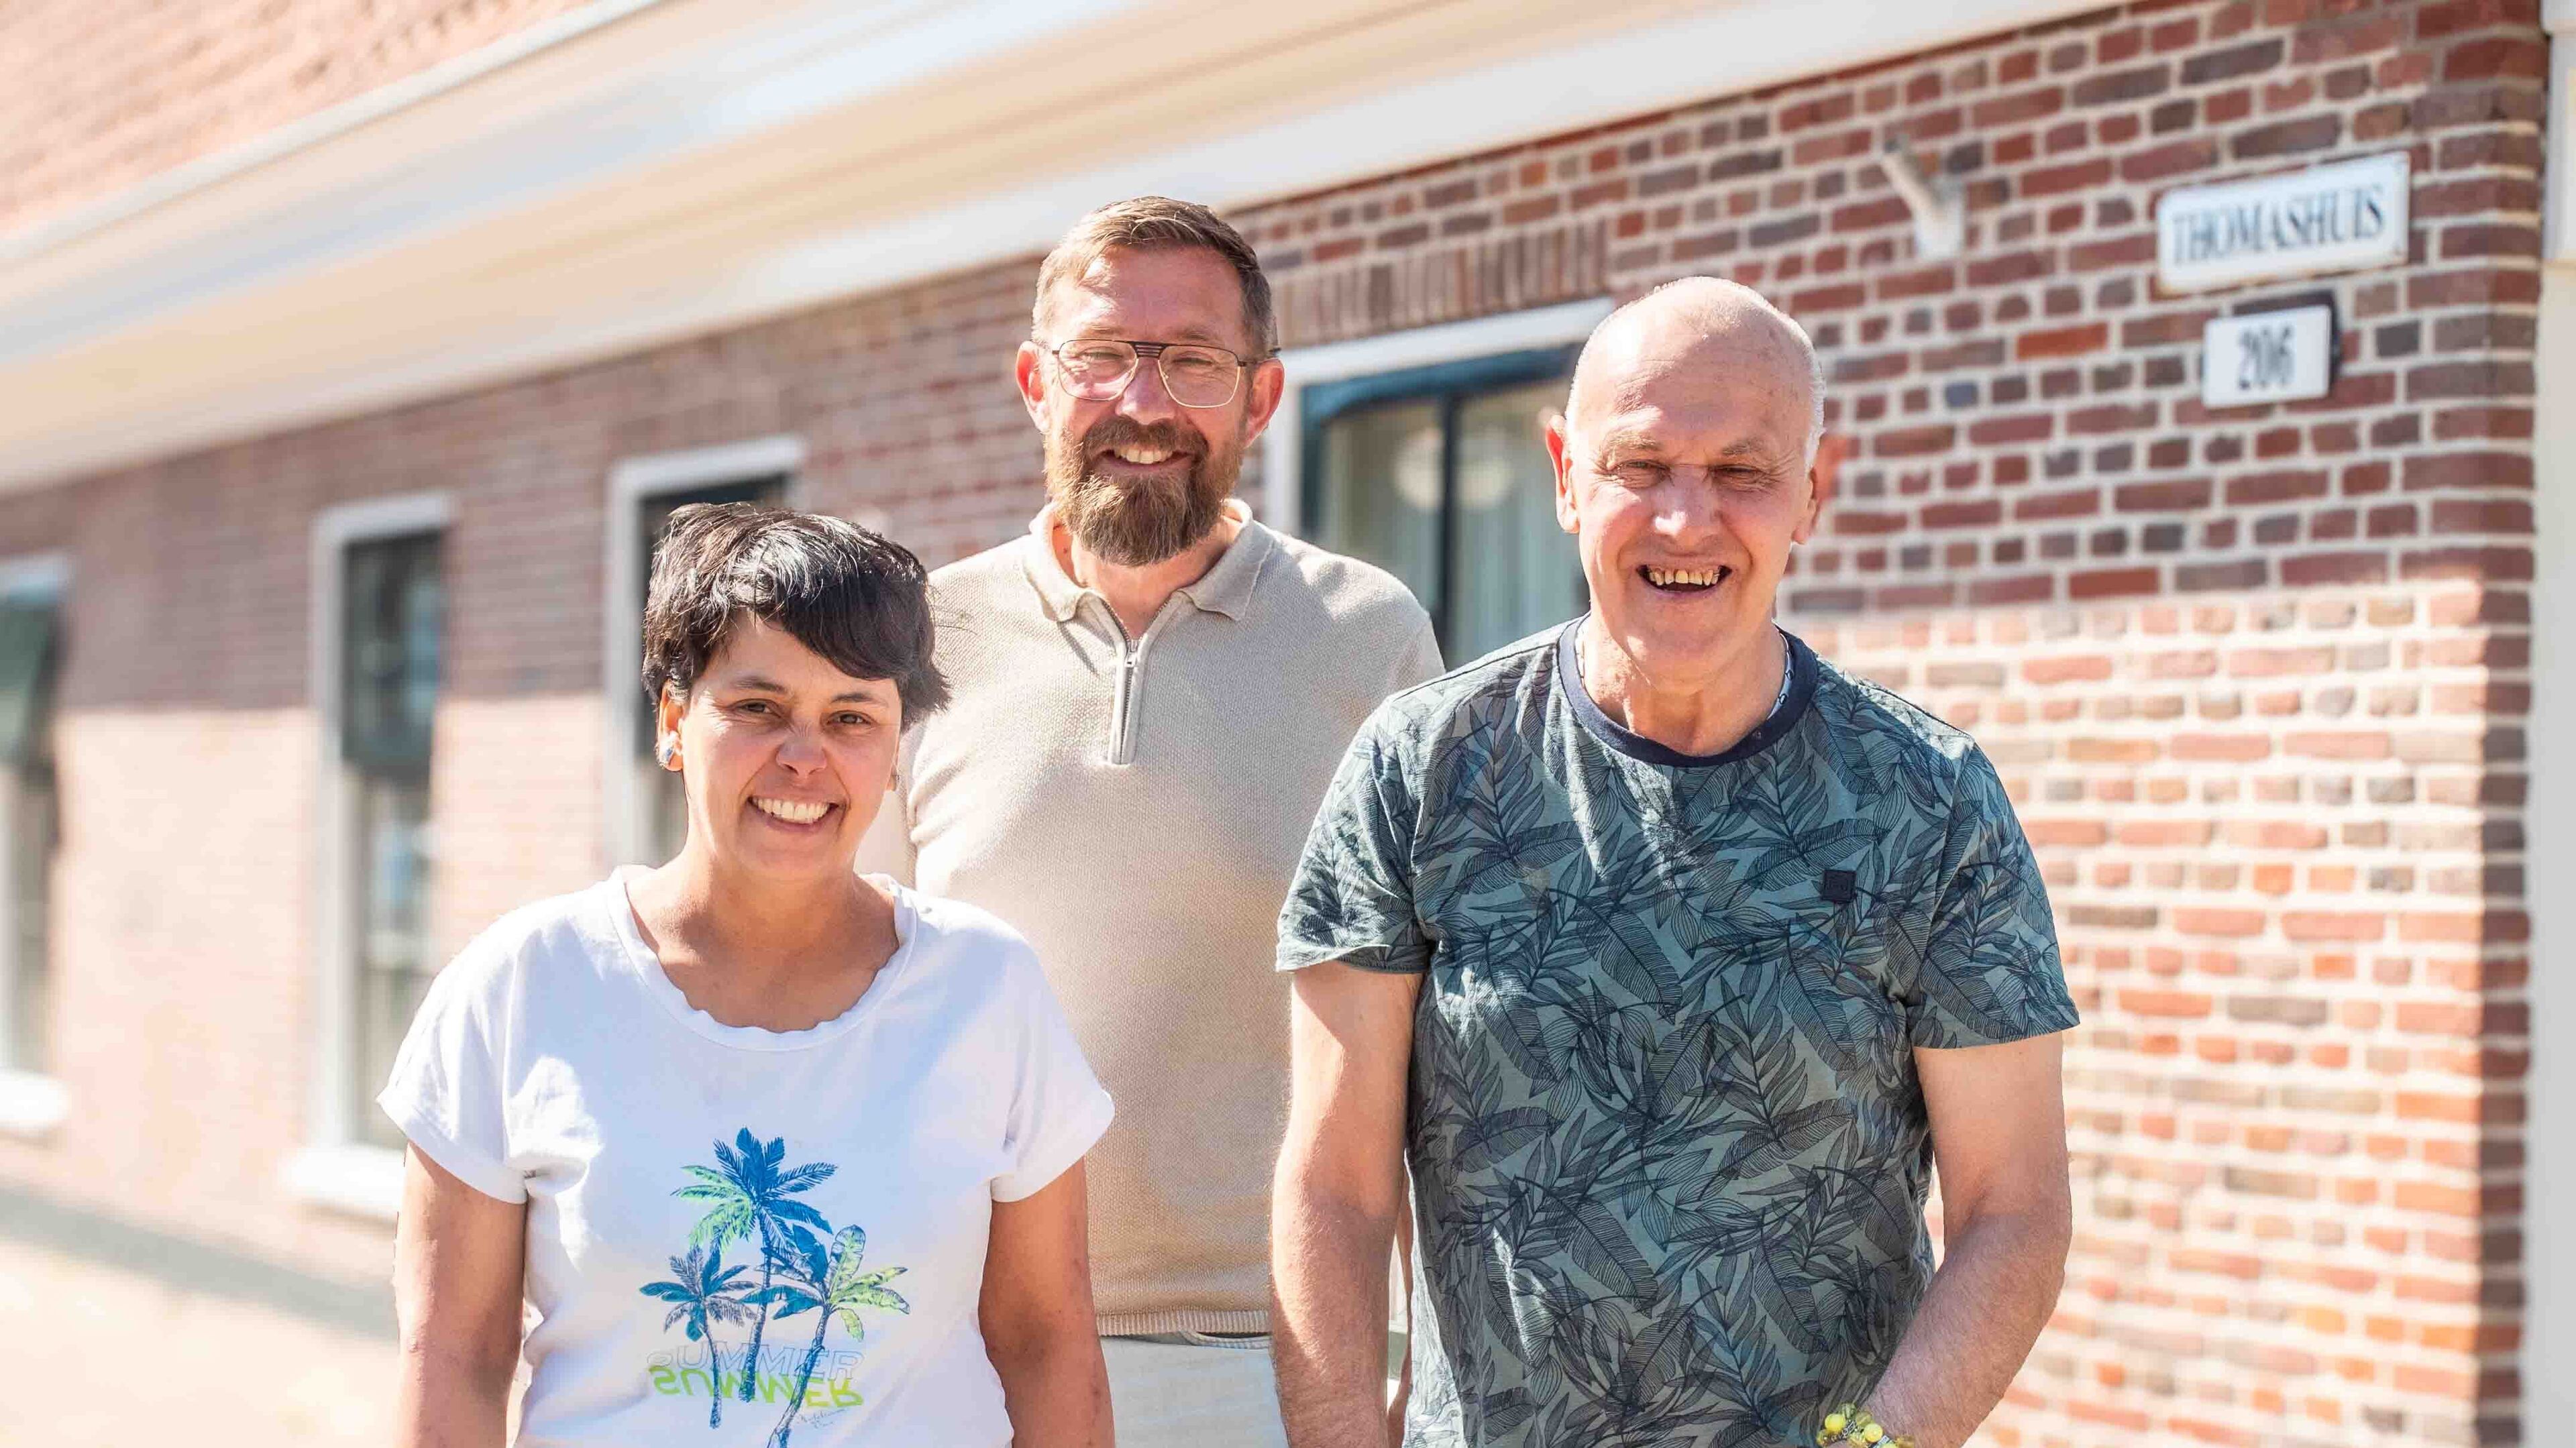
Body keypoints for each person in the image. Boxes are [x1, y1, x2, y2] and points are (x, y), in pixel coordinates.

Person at [1271, 278, 2080, 1448]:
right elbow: (1334, 1190)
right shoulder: (1426, 768)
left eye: (1743, 472)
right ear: (1563, 475)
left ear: (1814, 490)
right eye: (1641, 465)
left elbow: (2014, 1210)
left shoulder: (1930, 800)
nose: (1687, 520)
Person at [857, 196, 1440, 1447]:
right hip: (961, 1348)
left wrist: (1409, 1373)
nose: (1145, 401)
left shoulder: (1371, 638)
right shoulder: (913, 642)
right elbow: (850, 999)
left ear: (1263, 398)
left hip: (1277, 1358)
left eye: (1194, 362)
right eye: (1105, 356)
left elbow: (1438, 1029)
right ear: (1034, 381)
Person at [384, 504, 1114, 1447]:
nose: (804, 757)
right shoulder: (520, 987)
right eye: (758, 709)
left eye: (852, 717)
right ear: (674, 721)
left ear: (896, 752)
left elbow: (1048, 1345)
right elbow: (452, 1357)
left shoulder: (987, 988)